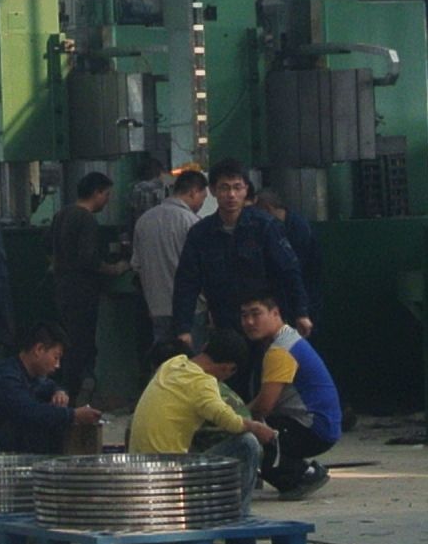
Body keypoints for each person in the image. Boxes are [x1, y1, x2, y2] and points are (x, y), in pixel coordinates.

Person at [171, 161, 309, 363]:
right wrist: (183, 328)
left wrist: (301, 312)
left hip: (265, 322)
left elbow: (289, 270)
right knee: (231, 373)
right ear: (213, 191)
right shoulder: (201, 234)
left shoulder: (265, 227)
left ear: (246, 190)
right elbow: (186, 282)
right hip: (225, 323)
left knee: (270, 372)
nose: (231, 195)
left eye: (237, 187)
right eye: (224, 188)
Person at [232, 292, 341, 497]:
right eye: (244, 316)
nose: (249, 322)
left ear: (275, 313)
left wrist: (232, 417)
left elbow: (264, 406)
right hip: (323, 424)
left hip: (313, 428)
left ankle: (303, 475)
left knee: (247, 441)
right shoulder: (288, 338)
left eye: (256, 314)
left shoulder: (280, 350)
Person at [0, 324, 99, 455]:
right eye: (56, 357)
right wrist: (73, 415)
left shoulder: (33, 377)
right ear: (39, 349)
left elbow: (49, 385)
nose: (57, 365)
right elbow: (29, 411)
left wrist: (60, 392)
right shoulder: (6, 378)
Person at [45, 169, 125, 397]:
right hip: (82, 291)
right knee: (81, 343)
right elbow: (88, 259)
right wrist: (114, 268)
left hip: (61, 288)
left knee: (66, 340)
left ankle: (64, 389)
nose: (107, 200)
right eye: (106, 195)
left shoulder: (61, 215)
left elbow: (46, 244)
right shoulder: (87, 220)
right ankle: (75, 393)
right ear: (97, 193)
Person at [125, 332, 251, 465]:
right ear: (229, 368)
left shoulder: (172, 363)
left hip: (137, 463)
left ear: (204, 347)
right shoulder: (203, 383)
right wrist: (257, 428)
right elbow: (232, 422)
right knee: (248, 442)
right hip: (168, 468)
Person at [131, 167, 207, 369]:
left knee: (163, 366)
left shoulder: (144, 221)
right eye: (203, 198)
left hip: (157, 307)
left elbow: (136, 265)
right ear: (194, 192)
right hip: (193, 310)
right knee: (191, 366)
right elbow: (202, 269)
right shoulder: (192, 222)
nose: (201, 204)